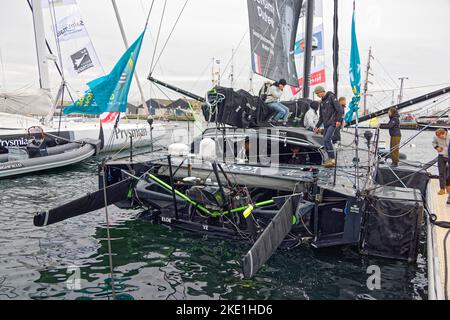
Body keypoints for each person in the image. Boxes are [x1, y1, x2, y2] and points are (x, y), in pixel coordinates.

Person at [313, 86, 343, 168]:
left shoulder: (331, 97)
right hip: (326, 124)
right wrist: (317, 126)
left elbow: (339, 109)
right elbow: (321, 117)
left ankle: (333, 158)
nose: (317, 95)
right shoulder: (322, 102)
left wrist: (338, 120)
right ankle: (330, 159)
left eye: (318, 93)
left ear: (322, 91)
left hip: (333, 123)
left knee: (327, 139)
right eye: (316, 94)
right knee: (324, 142)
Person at [432, 128, 450, 195]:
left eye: (441, 137)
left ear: (444, 133)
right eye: (438, 137)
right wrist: (437, 147)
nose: (440, 138)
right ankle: (442, 188)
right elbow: (433, 143)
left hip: (449, 155)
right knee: (441, 172)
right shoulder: (436, 137)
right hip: (441, 155)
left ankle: (448, 186)